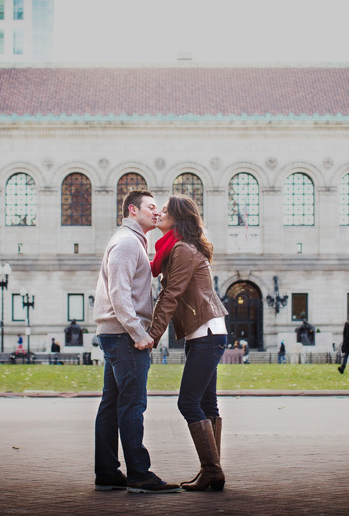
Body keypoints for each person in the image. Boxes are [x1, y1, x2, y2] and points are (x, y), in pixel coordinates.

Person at [93, 189, 179, 494]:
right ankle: (139, 474)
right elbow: (119, 293)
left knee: (112, 403)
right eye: (150, 208)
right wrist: (139, 334)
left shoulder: (132, 242)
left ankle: (106, 473)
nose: (156, 213)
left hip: (115, 333)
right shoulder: (128, 243)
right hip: (124, 336)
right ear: (133, 210)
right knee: (132, 404)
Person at [148, 194, 229, 492]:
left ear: (178, 218)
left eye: (165, 211)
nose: (159, 214)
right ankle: (212, 470)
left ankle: (212, 469)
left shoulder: (182, 249)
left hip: (206, 333)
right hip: (206, 333)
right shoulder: (177, 247)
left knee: (188, 402)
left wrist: (152, 335)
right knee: (207, 402)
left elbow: (170, 295)